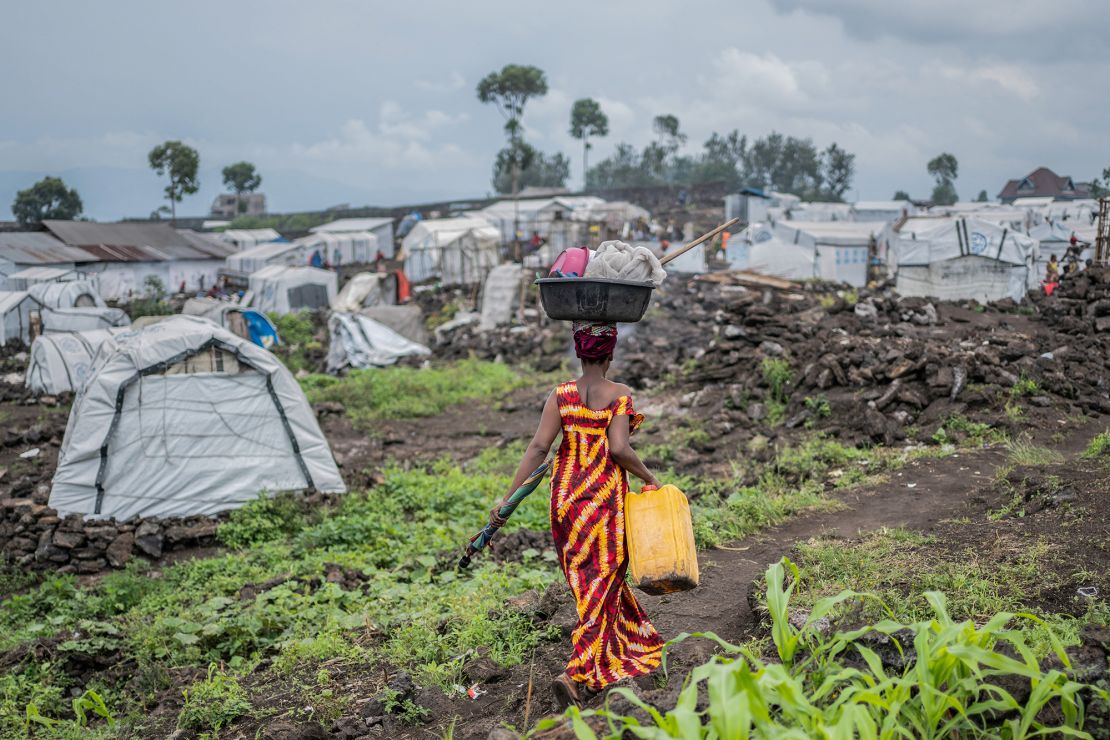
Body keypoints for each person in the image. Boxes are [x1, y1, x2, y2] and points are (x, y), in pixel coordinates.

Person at [490, 321, 665, 708]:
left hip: (567, 502)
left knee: (588, 585)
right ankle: (576, 672)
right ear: (611, 353)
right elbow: (619, 449)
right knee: (603, 582)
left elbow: (538, 448)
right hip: (603, 502)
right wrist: (649, 476)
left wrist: (506, 500)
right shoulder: (620, 395)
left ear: (579, 352)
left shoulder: (561, 395)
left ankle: (610, 652)